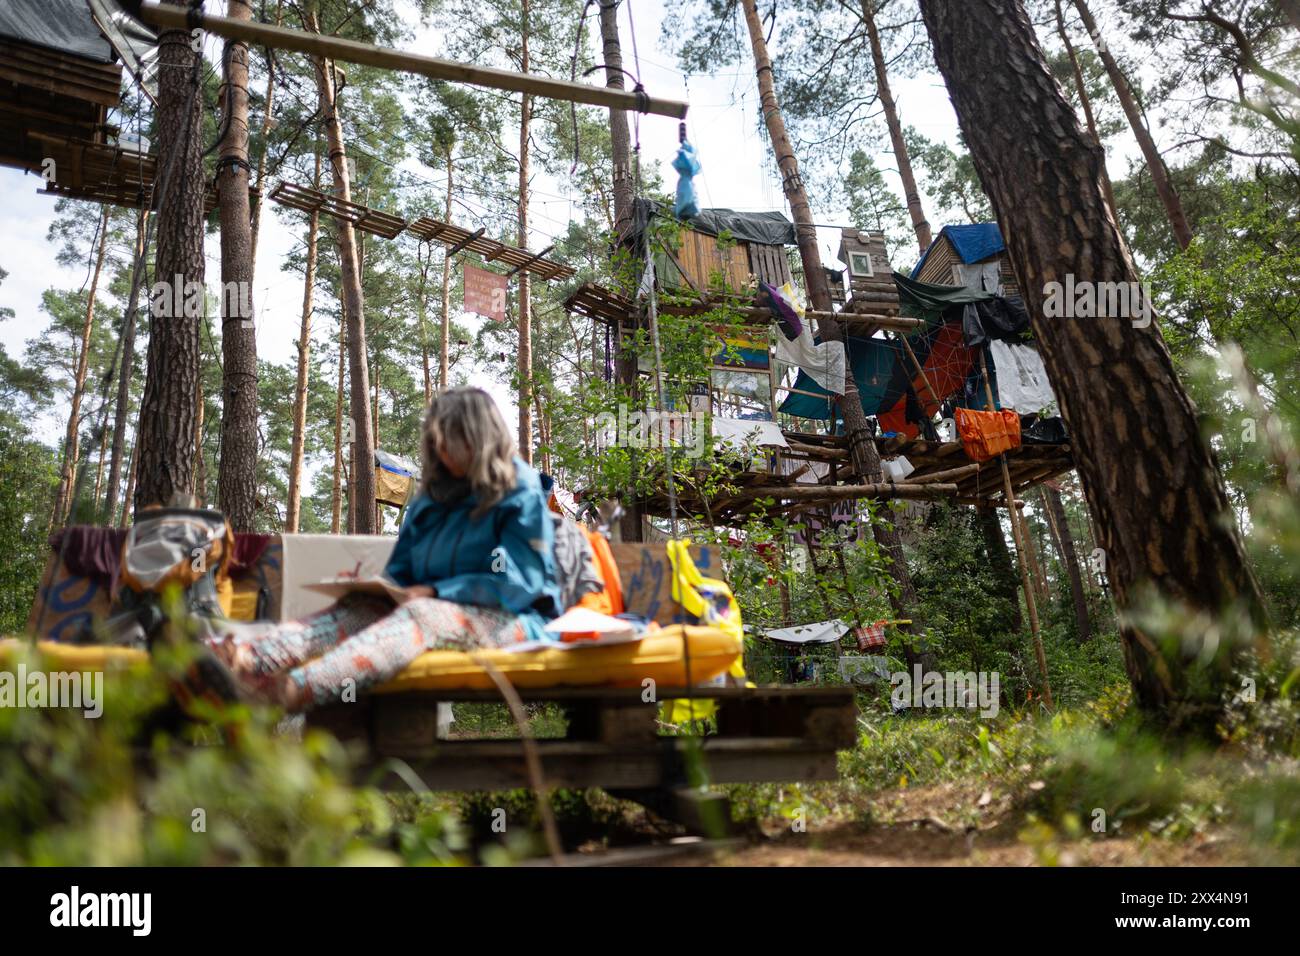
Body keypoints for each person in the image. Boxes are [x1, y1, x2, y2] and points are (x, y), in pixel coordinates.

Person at [208, 387, 562, 712]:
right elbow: (403, 574)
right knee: (358, 609)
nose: (442, 453)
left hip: (515, 620)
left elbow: (521, 582)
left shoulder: (521, 491)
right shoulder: (433, 498)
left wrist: (438, 591)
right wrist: (379, 587)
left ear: (480, 439)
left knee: (424, 614)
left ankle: (290, 692)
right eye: (437, 443)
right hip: (429, 611)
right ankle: (241, 661)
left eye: (451, 443)